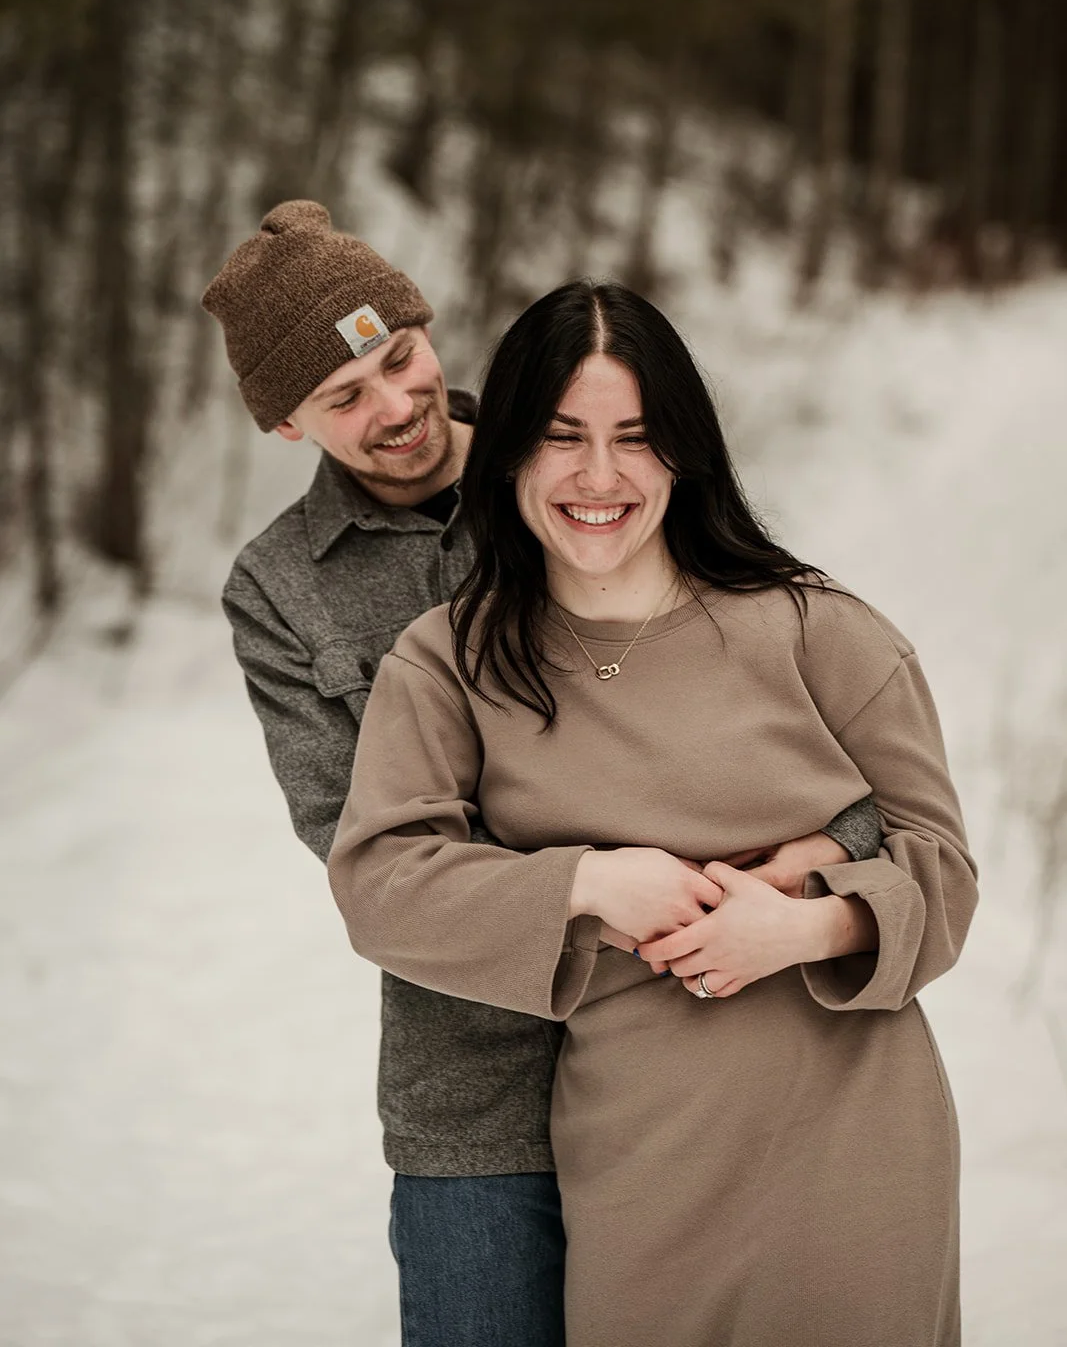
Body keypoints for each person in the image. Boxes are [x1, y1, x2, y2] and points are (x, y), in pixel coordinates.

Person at [203, 204, 884, 1345]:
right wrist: (591, 879)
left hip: (694, 1051)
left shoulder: (590, 479)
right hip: (474, 1086)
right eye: (343, 396)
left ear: (426, 329)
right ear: (282, 423)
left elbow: (791, 735)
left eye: (399, 357)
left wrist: (818, 855)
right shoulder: (279, 588)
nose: (395, 405)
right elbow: (354, 842)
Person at [328, 279, 979, 1347]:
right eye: (560, 436)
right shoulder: (447, 660)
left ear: (683, 451)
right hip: (638, 1157)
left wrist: (808, 921)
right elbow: (380, 884)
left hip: (854, 1148)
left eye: (634, 437)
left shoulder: (821, 631)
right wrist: (589, 882)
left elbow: (942, 870)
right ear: (503, 454)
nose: (597, 475)